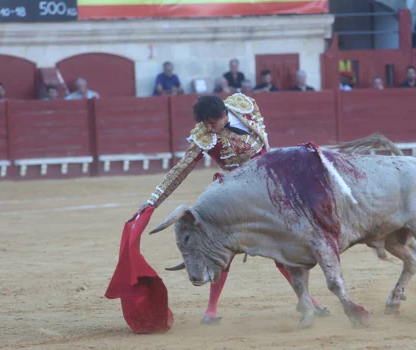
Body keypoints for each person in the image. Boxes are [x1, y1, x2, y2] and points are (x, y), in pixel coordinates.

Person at [136, 93, 330, 324]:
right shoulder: (204, 136)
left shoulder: (243, 106)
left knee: (283, 249)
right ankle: (211, 312)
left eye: (212, 122)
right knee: (222, 251)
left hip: (270, 190)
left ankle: (310, 303)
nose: (209, 127)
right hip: (236, 196)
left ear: (224, 115)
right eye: (204, 123)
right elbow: (181, 169)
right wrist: (152, 202)